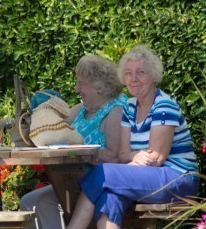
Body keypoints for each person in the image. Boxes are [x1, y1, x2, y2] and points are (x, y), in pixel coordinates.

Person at [66, 45, 199, 229]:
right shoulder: (129, 107)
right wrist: (134, 155)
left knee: (102, 173)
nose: (134, 79)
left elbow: (155, 159)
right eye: (128, 73)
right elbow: (122, 155)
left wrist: (129, 158)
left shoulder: (163, 106)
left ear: (153, 75)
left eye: (141, 72)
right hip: (147, 177)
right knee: (109, 197)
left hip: (177, 179)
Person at [20, 55, 127, 229]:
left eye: (81, 83)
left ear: (98, 86)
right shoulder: (81, 109)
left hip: (100, 184)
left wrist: (79, 151)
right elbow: (51, 128)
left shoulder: (116, 111)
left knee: (39, 202)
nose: (77, 90)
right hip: (75, 181)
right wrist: (22, 123)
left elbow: (114, 157)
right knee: (31, 201)